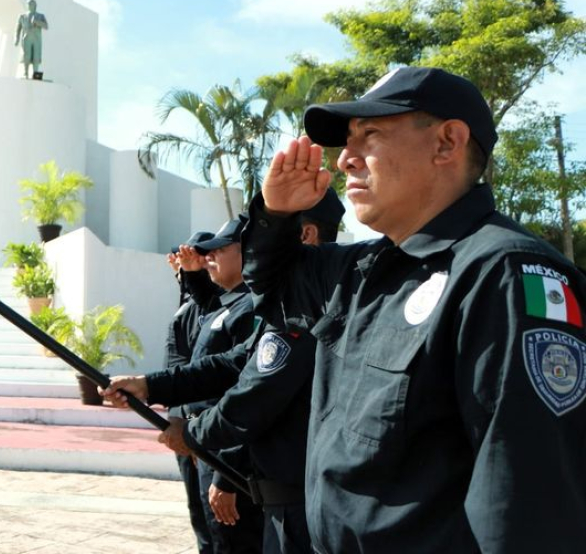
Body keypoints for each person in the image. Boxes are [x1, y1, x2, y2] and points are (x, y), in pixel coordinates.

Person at [246, 66, 586, 552]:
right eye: (347, 142)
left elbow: (525, 503)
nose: (345, 159)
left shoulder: (504, 274)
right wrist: (275, 214)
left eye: (371, 135)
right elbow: (272, 290)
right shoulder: (364, 269)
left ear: (447, 143)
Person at [107, 190, 345, 554]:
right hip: (282, 497)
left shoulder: (313, 308)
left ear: (305, 236)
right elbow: (235, 361)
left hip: (302, 503)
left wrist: (195, 433)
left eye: (258, 238)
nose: (253, 252)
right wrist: (149, 386)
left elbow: (257, 390)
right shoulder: (291, 304)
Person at [163, 217, 265, 553]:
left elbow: (248, 393)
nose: (210, 257)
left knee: (232, 542)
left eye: (220, 250)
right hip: (205, 444)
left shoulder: (252, 306)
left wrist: (227, 472)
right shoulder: (224, 305)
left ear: (247, 253)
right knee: (209, 537)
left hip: (226, 452)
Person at [165, 231, 218, 554]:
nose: (181, 264)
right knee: (198, 512)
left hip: (203, 424)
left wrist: (194, 425)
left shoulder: (217, 307)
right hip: (184, 418)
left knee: (216, 516)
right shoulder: (188, 305)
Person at [14, 0, 48, 79]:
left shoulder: (40, 16)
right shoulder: (22, 16)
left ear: (35, 5)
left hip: (36, 39)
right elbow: (17, 29)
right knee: (27, 55)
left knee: (36, 56)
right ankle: (25, 73)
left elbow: (46, 26)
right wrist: (16, 38)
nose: (30, 5)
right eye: (29, 4)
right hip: (26, 38)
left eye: (32, 4)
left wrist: (37, 22)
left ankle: (36, 74)